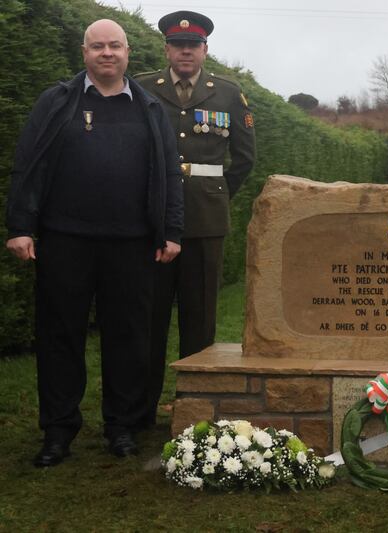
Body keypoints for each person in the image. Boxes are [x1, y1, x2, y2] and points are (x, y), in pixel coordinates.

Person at [5, 19, 183, 466]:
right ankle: (58, 431)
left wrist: (171, 231)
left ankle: (121, 427)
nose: (107, 53)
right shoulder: (58, 101)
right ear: (84, 53)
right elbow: (28, 164)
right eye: (98, 46)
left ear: (128, 53)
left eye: (115, 46)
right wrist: (20, 226)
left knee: (128, 338)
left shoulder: (149, 107)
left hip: (131, 244)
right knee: (59, 337)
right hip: (65, 241)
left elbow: (168, 174)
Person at [135, 11, 256, 429]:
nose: (185, 51)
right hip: (151, 219)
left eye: (193, 45)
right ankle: (141, 410)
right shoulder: (144, 88)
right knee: (148, 317)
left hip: (206, 220)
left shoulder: (227, 93)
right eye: (177, 45)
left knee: (199, 316)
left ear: (205, 49)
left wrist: (216, 195)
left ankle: (196, 410)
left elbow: (244, 159)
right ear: (166, 49)